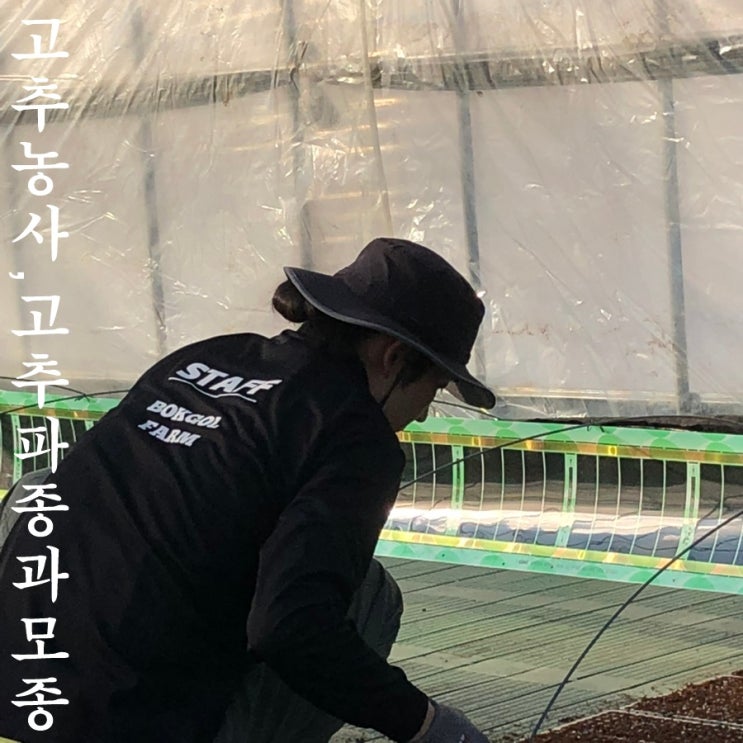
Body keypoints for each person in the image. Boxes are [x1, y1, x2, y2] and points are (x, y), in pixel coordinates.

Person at [0, 237, 495, 743]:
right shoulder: (354, 431)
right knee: (371, 597)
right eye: (433, 388)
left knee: (36, 488)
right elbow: (291, 628)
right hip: (131, 719)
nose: (422, 414)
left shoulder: (206, 357)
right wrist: (427, 725)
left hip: (20, 688)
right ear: (394, 356)